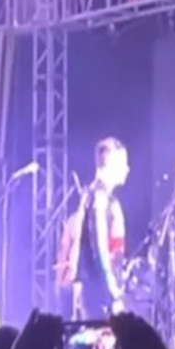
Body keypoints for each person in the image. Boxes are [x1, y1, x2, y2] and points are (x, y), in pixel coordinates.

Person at [57, 137, 129, 319]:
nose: (127, 169)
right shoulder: (99, 198)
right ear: (111, 164)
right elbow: (99, 248)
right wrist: (112, 292)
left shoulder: (95, 196)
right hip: (96, 290)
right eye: (123, 163)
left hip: (94, 287)